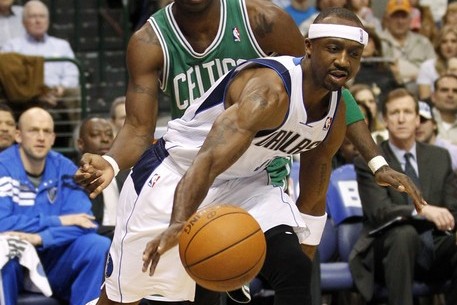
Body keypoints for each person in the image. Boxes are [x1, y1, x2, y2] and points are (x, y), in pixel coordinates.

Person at [76, 8, 425, 305]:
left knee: (294, 269)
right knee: (124, 298)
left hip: (247, 183)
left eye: (354, 54)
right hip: (176, 173)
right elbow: (207, 162)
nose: (343, 61)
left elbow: (315, 196)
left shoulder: (333, 116)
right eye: (334, 49)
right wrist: (178, 224)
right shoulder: (269, 92)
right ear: (309, 47)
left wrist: (377, 164)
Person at [350, 88, 457, 305]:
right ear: (384, 120)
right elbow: (379, 212)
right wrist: (422, 210)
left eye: (407, 112)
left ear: (418, 119)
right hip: (387, 249)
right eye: (394, 113)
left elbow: (451, 209)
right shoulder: (371, 161)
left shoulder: (440, 156)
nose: (401, 119)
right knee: (404, 234)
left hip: (433, 244)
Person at [0, 107, 111, 305]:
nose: (41, 137)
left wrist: (39, 238)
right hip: (15, 262)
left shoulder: (65, 168)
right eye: (34, 130)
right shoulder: (3, 167)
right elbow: (2, 223)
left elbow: (85, 223)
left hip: (53, 258)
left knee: (97, 245)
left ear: (53, 137)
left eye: (46, 131)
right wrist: (59, 220)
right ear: (18, 135)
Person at [2, 0, 79, 106]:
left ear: (48, 20)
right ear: (23, 22)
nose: (38, 21)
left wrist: (61, 88)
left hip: (58, 95)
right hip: (27, 98)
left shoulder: (62, 45)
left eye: (42, 16)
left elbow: (72, 74)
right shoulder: (11, 46)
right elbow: (10, 81)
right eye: (33, 16)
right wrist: (38, 94)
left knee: (74, 93)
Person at [76, 116, 129, 239]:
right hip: (94, 237)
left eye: (109, 135)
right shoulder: (75, 177)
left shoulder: (126, 174)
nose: (105, 139)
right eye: (95, 134)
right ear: (80, 144)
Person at [380, 0, 435, 95]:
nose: (400, 21)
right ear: (387, 19)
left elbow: (434, 70)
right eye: (395, 16)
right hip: (387, 91)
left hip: (420, 92)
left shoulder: (423, 42)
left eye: (403, 16)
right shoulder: (378, 41)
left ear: (410, 19)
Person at [417, 25, 457, 100]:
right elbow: (425, 99)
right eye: (444, 42)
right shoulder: (427, 66)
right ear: (439, 45)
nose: (449, 45)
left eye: (454, 41)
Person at [416, 100, 457, 172]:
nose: (418, 126)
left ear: (434, 124)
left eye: (423, 120)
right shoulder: (407, 154)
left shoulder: (451, 151)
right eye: (414, 121)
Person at [431, 74, 457, 145]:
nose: (450, 95)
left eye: (455, 91)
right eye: (444, 90)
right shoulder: (422, 123)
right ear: (433, 96)